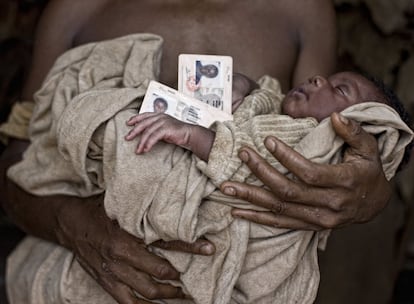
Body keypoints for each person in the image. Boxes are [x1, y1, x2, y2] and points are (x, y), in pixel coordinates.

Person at [0, 0, 394, 303]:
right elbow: (18, 167)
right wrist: (69, 223)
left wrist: (373, 194)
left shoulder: (300, 10)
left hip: (229, 267)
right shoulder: (78, 9)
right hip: (94, 268)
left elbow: (322, 148)